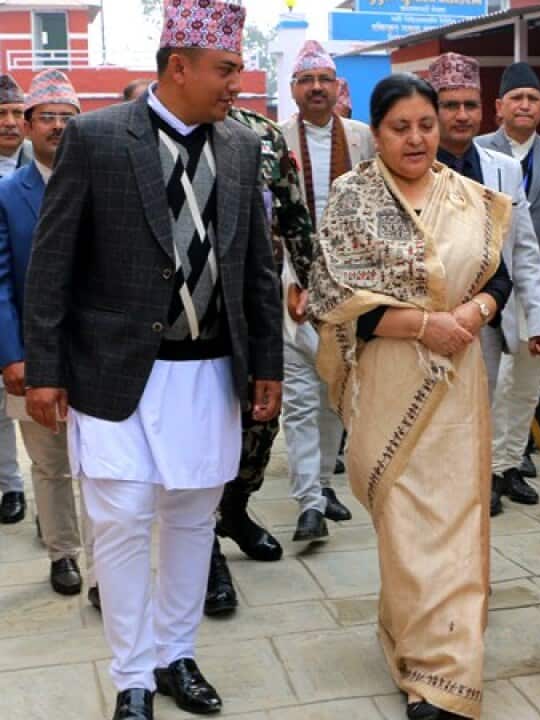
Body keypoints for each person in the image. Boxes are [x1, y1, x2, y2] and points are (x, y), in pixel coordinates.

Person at [22, 0, 284, 716]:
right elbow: (51, 264)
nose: (237, 81)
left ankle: (177, 657)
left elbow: (256, 267)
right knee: (123, 521)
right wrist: (43, 369)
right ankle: (132, 677)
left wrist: (267, 364)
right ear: (179, 66)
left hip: (208, 375)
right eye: (226, 68)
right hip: (114, 374)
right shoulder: (99, 139)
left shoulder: (238, 146)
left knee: (194, 520)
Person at [309, 72, 512, 720]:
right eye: (402, 127)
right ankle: (410, 645)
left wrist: (472, 316)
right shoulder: (351, 198)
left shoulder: (469, 197)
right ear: (379, 133)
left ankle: (443, 677)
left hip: (458, 383)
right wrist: (430, 324)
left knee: (456, 523)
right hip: (391, 377)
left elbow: (497, 280)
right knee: (404, 525)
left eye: (427, 124)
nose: (418, 138)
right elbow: (337, 303)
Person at [199, 102, 317, 617]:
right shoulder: (153, 134)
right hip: (192, 321)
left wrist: (318, 288)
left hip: (257, 309)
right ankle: (203, 553)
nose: (229, 80)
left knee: (260, 426)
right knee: (200, 440)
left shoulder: (262, 136)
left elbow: (295, 217)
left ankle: (236, 511)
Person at [426, 53, 540, 517]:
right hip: (439, 316)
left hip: (497, 310)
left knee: (498, 401)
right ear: (433, 108)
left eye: (470, 105)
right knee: (450, 413)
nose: (462, 115)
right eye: (450, 105)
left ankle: (491, 477)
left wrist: (539, 315)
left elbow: (524, 248)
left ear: (484, 110)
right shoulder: (418, 164)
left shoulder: (503, 167)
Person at [279, 40, 374, 542]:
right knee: (298, 398)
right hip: (291, 289)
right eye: (306, 80)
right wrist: (292, 281)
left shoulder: (361, 138)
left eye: (324, 80)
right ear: (294, 89)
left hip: (350, 289)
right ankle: (308, 504)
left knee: (337, 395)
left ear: (338, 88)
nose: (316, 88)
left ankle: (319, 485)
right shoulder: (274, 140)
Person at [477, 62, 540, 506]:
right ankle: (482, 471)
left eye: (532, 99)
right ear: (499, 107)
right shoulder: (477, 152)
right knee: (487, 386)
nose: (524, 105)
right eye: (515, 97)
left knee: (525, 386)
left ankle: (510, 466)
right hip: (488, 291)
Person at [0, 70, 85, 597]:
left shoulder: (104, 184)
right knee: (50, 465)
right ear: (27, 126)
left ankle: (106, 563)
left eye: (67, 118)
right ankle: (64, 554)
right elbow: (0, 281)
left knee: (103, 467)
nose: (57, 126)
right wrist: (11, 355)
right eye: (46, 117)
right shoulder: (9, 195)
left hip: (99, 355)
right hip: (36, 357)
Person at [0, 73, 30, 526]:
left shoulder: (46, 165)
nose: (8, 123)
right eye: (0, 114)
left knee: (29, 403)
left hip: (24, 304)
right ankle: (10, 484)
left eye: (14, 114)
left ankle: (48, 489)